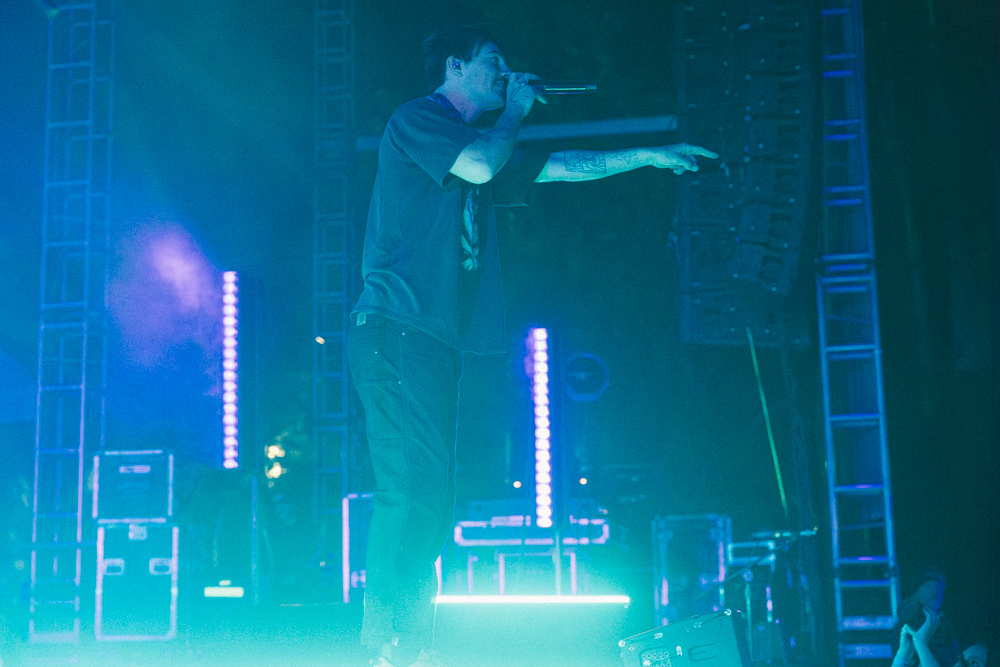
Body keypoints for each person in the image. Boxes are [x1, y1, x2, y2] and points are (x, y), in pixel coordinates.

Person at [347, 24, 718, 667]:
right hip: (395, 327)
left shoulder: (479, 144)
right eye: (494, 61)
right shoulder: (419, 120)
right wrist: (516, 108)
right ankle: (386, 643)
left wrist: (650, 155)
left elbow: (563, 166)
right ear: (455, 66)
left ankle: (407, 640)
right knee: (408, 487)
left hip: (432, 340)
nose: (505, 70)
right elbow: (482, 165)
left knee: (432, 494)